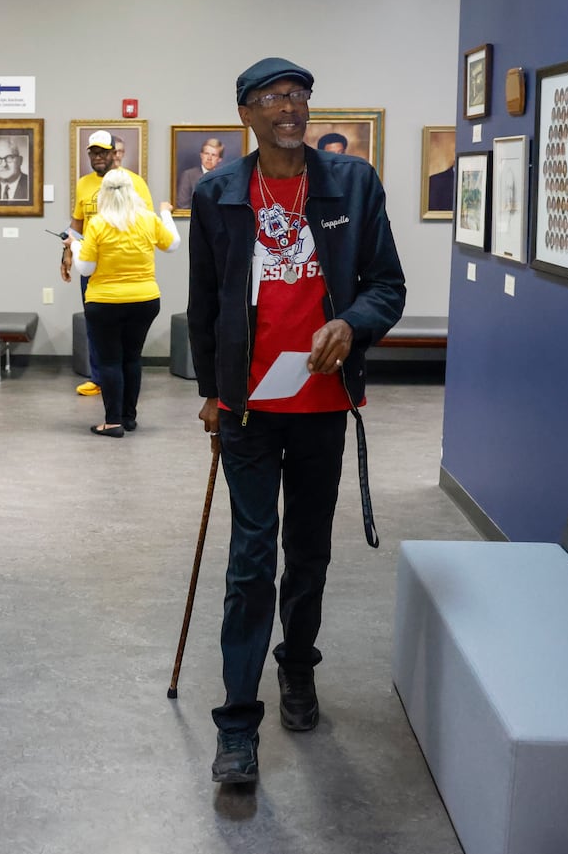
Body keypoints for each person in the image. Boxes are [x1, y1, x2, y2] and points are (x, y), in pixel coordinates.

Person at [187, 57, 405, 785]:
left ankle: (298, 666)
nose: (291, 106)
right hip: (248, 408)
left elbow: (388, 285)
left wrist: (352, 323)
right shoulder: (219, 193)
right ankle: (238, 722)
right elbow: (208, 302)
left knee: (308, 551)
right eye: (274, 96)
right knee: (251, 558)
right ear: (246, 111)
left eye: (300, 95)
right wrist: (212, 392)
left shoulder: (352, 183)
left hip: (321, 405)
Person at [63, 169, 177, 436]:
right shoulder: (148, 220)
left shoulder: (99, 224)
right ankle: (128, 418)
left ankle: (112, 422)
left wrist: (75, 246)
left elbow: (87, 268)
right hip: (145, 300)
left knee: (110, 361)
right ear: (132, 191)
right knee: (132, 359)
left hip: (105, 302)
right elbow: (172, 245)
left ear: (103, 193)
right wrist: (167, 213)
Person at [61, 129, 153, 397]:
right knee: (94, 324)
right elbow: (77, 222)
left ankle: (121, 376)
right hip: (90, 264)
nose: (98, 157)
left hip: (124, 267)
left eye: (104, 152)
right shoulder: (83, 183)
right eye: (94, 152)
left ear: (115, 154)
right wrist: (67, 254)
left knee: (126, 329)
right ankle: (100, 378)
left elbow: (148, 223)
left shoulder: (134, 183)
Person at [176, 137, 226, 209]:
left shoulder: (224, 178)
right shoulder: (188, 175)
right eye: (206, 153)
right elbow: (182, 204)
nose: (209, 158)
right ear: (201, 155)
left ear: (219, 159)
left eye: (213, 155)